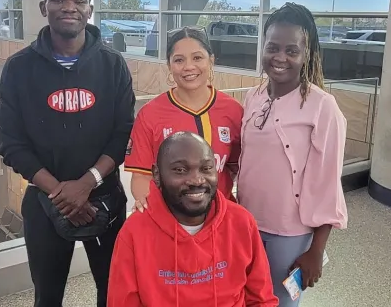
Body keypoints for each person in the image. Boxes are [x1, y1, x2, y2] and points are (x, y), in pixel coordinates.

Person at [0, 0, 135, 307]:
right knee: (47, 298)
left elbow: (122, 136)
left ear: (90, 9)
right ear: (44, 7)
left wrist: (87, 183)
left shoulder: (114, 66)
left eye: (79, 0)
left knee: (113, 293)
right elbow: (10, 143)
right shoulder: (19, 68)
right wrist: (60, 192)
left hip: (104, 200)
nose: (68, 6)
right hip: (45, 203)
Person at [237, 2, 348, 306]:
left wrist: (315, 250)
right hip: (245, 225)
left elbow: (328, 183)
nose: (280, 58)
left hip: (291, 236)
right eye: (272, 47)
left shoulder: (323, 107)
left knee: (281, 302)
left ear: (306, 54)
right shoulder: (253, 96)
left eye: (291, 50)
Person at [108, 131, 278, 306]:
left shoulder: (241, 222)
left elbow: (262, 299)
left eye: (206, 168)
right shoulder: (134, 232)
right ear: (157, 175)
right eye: (180, 170)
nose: (197, 180)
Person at [124, 26, 243, 211]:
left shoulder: (234, 111)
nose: (189, 66)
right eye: (179, 60)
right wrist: (157, 211)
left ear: (211, 60)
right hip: (170, 220)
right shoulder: (150, 114)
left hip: (221, 220)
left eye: (197, 58)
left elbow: (239, 169)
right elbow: (141, 177)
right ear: (169, 66)